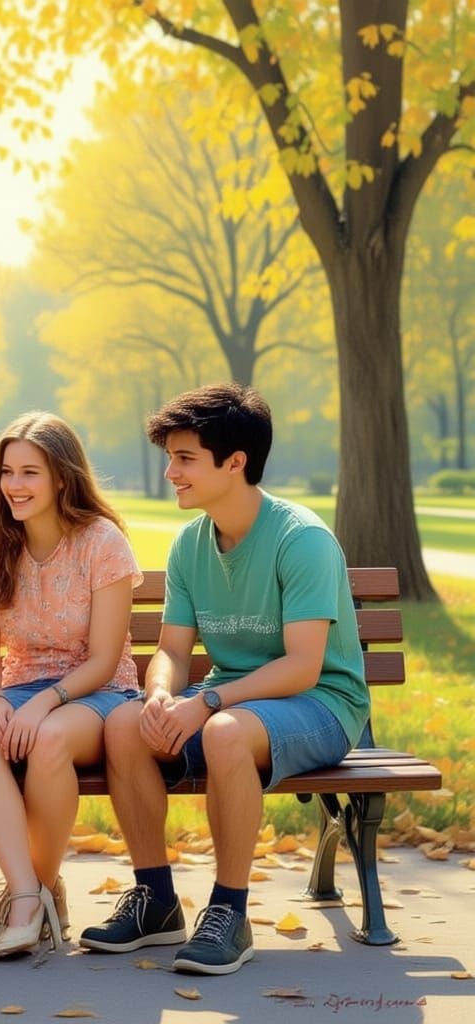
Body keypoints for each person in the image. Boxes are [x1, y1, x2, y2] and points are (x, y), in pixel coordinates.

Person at [79, 383, 370, 976]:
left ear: (235, 463)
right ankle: (155, 900)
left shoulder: (301, 539)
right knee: (126, 724)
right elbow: (171, 650)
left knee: (227, 733)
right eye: (171, 457)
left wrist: (207, 702)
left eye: (184, 459)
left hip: (321, 703)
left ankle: (229, 913)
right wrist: (161, 694)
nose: (170, 473)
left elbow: (303, 666)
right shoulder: (190, 544)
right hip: (234, 699)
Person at [0, 411, 142, 960]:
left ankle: (37, 893)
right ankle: (27, 895)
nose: (14, 485)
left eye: (30, 473)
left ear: (61, 477)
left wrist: (46, 701)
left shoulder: (101, 542)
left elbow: (106, 657)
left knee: (50, 738)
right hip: (18, 688)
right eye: (7, 472)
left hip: (98, 691)